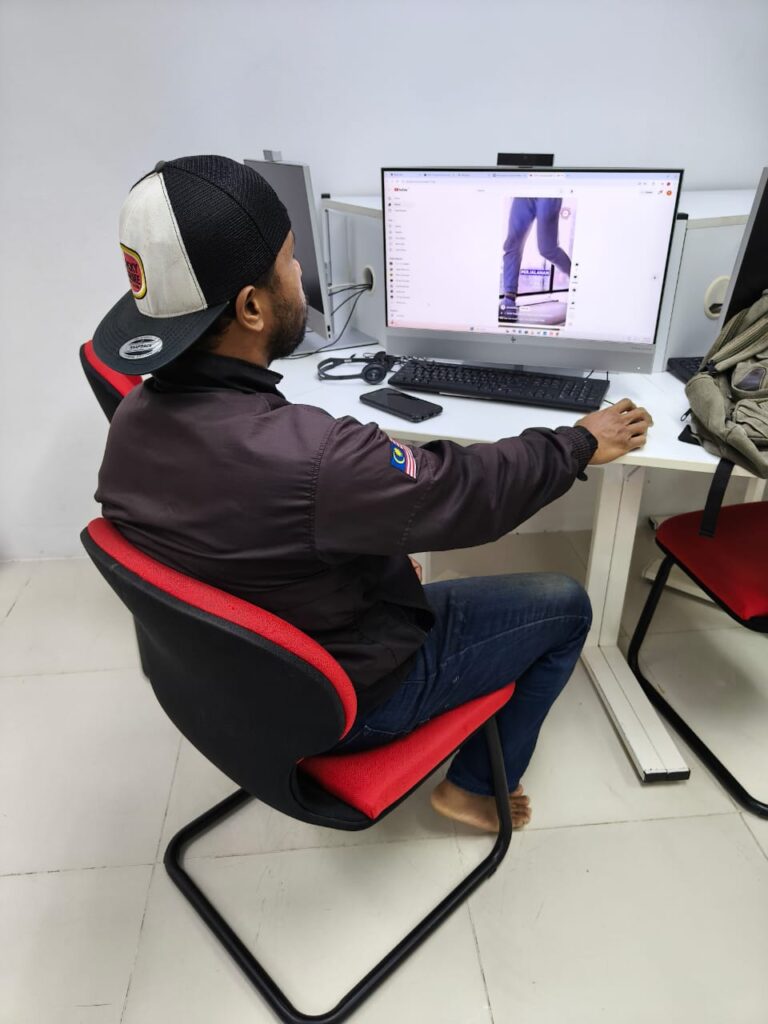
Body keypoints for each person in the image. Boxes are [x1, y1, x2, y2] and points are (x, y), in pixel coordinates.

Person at [92, 156, 653, 832]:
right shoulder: (317, 460)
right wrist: (579, 442)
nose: (300, 273)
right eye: (290, 261)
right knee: (564, 605)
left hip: (230, 694)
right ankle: (473, 788)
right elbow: (467, 493)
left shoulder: (132, 419)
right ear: (251, 307)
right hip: (347, 703)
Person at [500, 196, 572, 321]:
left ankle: (577, 278)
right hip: (524, 191)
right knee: (512, 242)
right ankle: (509, 299)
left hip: (549, 191)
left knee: (547, 248)